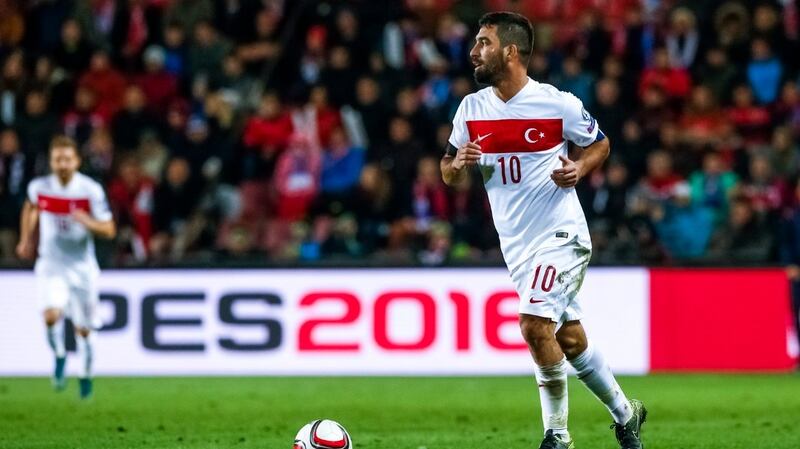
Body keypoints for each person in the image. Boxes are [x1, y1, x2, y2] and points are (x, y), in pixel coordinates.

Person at [440, 12, 646, 449]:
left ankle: (558, 435)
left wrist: (580, 168)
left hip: (562, 234)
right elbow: (448, 170)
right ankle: (627, 415)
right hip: (518, 247)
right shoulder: (471, 109)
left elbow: (600, 143)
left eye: (484, 43)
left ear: (511, 52)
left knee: (535, 325)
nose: (474, 52)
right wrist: (457, 165)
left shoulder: (557, 104)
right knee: (568, 338)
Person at [15, 136, 116, 399]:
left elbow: (109, 229)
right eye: (57, 159)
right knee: (51, 316)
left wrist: (88, 222)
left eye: (67, 159)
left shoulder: (90, 190)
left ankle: (85, 374)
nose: (62, 164)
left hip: (82, 268)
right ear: (51, 162)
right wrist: (26, 239)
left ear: (77, 161)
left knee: (84, 329)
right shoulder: (40, 187)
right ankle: (59, 355)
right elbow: (30, 207)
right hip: (51, 264)